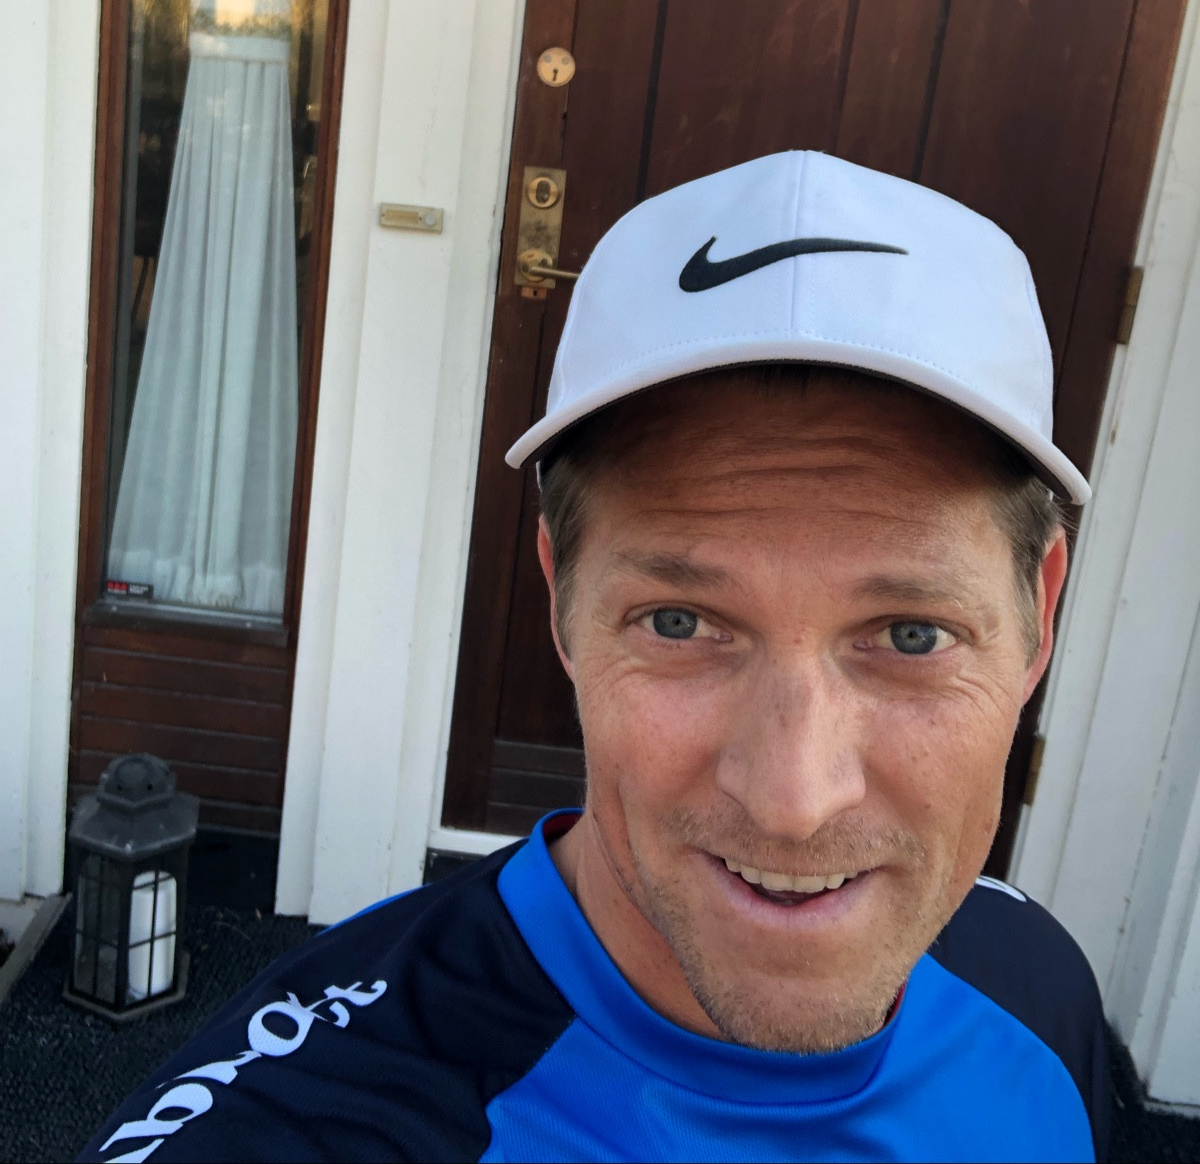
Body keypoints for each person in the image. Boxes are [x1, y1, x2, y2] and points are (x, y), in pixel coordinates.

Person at [81, 152, 1109, 1163]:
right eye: (679, 622)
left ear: (1039, 617)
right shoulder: (307, 1123)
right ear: (563, 606)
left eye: (912, 635)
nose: (794, 801)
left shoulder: (1033, 982)